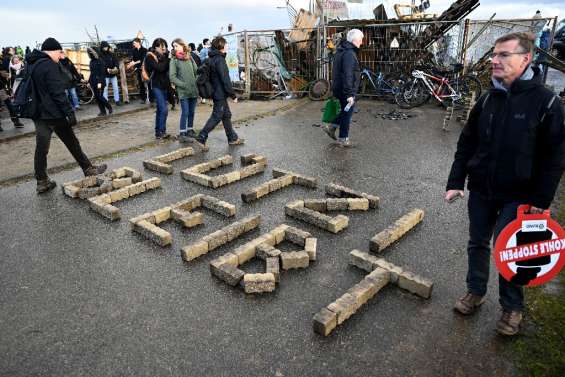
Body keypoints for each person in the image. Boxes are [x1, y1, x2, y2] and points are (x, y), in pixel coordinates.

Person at [445, 32, 564, 336]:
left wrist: (542, 198)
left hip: (520, 195)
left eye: (503, 55)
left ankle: (512, 308)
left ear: (525, 59)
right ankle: (475, 291)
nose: (494, 61)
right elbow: (467, 142)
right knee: (477, 242)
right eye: (494, 55)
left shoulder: (546, 101)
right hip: (483, 188)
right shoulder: (488, 98)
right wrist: (456, 180)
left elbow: (555, 156)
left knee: (512, 250)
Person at [26, 38, 107, 194]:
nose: (61, 55)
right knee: (71, 141)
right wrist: (69, 113)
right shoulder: (49, 65)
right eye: (59, 52)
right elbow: (57, 92)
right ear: (52, 51)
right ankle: (88, 168)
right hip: (54, 113)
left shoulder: (32, 63)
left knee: (41, 148)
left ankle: (42, 181)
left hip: (39, 113)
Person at [194, 37, 244, 149]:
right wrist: (233, 95)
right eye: (226, 44)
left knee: (226, 115)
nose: (227, 46)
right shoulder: (220, 60)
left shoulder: (212, 58)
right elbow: (225, 79)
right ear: (221, 46)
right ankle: (202, 136)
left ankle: (232, 138)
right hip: (219, 93)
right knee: (217, 116)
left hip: (216, 92)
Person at [321, 29, 363, 148]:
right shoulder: (349, 53)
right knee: (347, 113)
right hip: (345, 89)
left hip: (339, 87)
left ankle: (332, 126)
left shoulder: (341, 51)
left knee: (346, 111)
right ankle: (342, 138)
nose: (361, 42)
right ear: (354, 40)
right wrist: (350, 93)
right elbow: (348, 74)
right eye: (360, 39)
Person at [169, 38, 199, 143]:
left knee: (192, 112)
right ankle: (182, 134)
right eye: (173, 46)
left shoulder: (189, 57)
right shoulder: (174, 60)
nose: (175, 48)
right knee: (185, 112)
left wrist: (196, 81)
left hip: (193, 89)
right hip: (183, 91)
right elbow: (172, 77)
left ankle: (190, 131)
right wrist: (183, 85)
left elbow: (196, 71)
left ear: (182, 45)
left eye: (176, 45)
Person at [144, 38, 171, 139]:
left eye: (164, 46)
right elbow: (159, 68)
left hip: (164, 85)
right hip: (155, 85)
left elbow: (167, 69)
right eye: (161, 46)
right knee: (163, 109)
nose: (163, 48)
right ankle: (160, 132)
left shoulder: (164, 56)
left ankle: (160, 132)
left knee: (161, 109)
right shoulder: (150, 56)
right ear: (155, 47)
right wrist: (167, 59)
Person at [87, 47, 113, 117]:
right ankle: (102, 111)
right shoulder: (91, 62)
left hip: (100, 82)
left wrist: (100, 82)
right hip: (93, 82)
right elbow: (92, 73)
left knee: (100, 96)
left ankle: (109, 107)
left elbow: (102, 73)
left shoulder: (100, 61)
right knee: (97, 98)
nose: (90, 54)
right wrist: (89, 82)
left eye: (91, 52)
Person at [0, 63, 25, 130]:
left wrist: (7, 89)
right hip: (1, 89)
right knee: (9, 105)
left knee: (10, 105)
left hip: (1, 90)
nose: (6, 74)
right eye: (5, 72)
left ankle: (16, 121)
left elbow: (5, 80)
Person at [127, 38, 149, 104]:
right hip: (138, 69)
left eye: (134, 43)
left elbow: (143, 60)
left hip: (145, 69)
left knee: (148, 83)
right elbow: (133, 60)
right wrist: (130, 64)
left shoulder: (144, 50)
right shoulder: (134, 50)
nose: (133, 44)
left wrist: (134, 63)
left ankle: (152, 98)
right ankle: (143, 99)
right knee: (141, 84)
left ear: (138, 42)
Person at [99, 41, 121, 106]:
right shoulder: (100, 55)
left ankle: (117, 100)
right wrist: (106, 69)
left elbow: (116, 61)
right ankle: (106, 101)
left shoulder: (112, 54)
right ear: (102, 47)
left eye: (107, 47)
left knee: (116, 88)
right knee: (105, 89)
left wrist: (115, 67)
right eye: (104, 47)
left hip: (113, 75)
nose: (106, 48)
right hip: (105, 75)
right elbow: (101, 64)